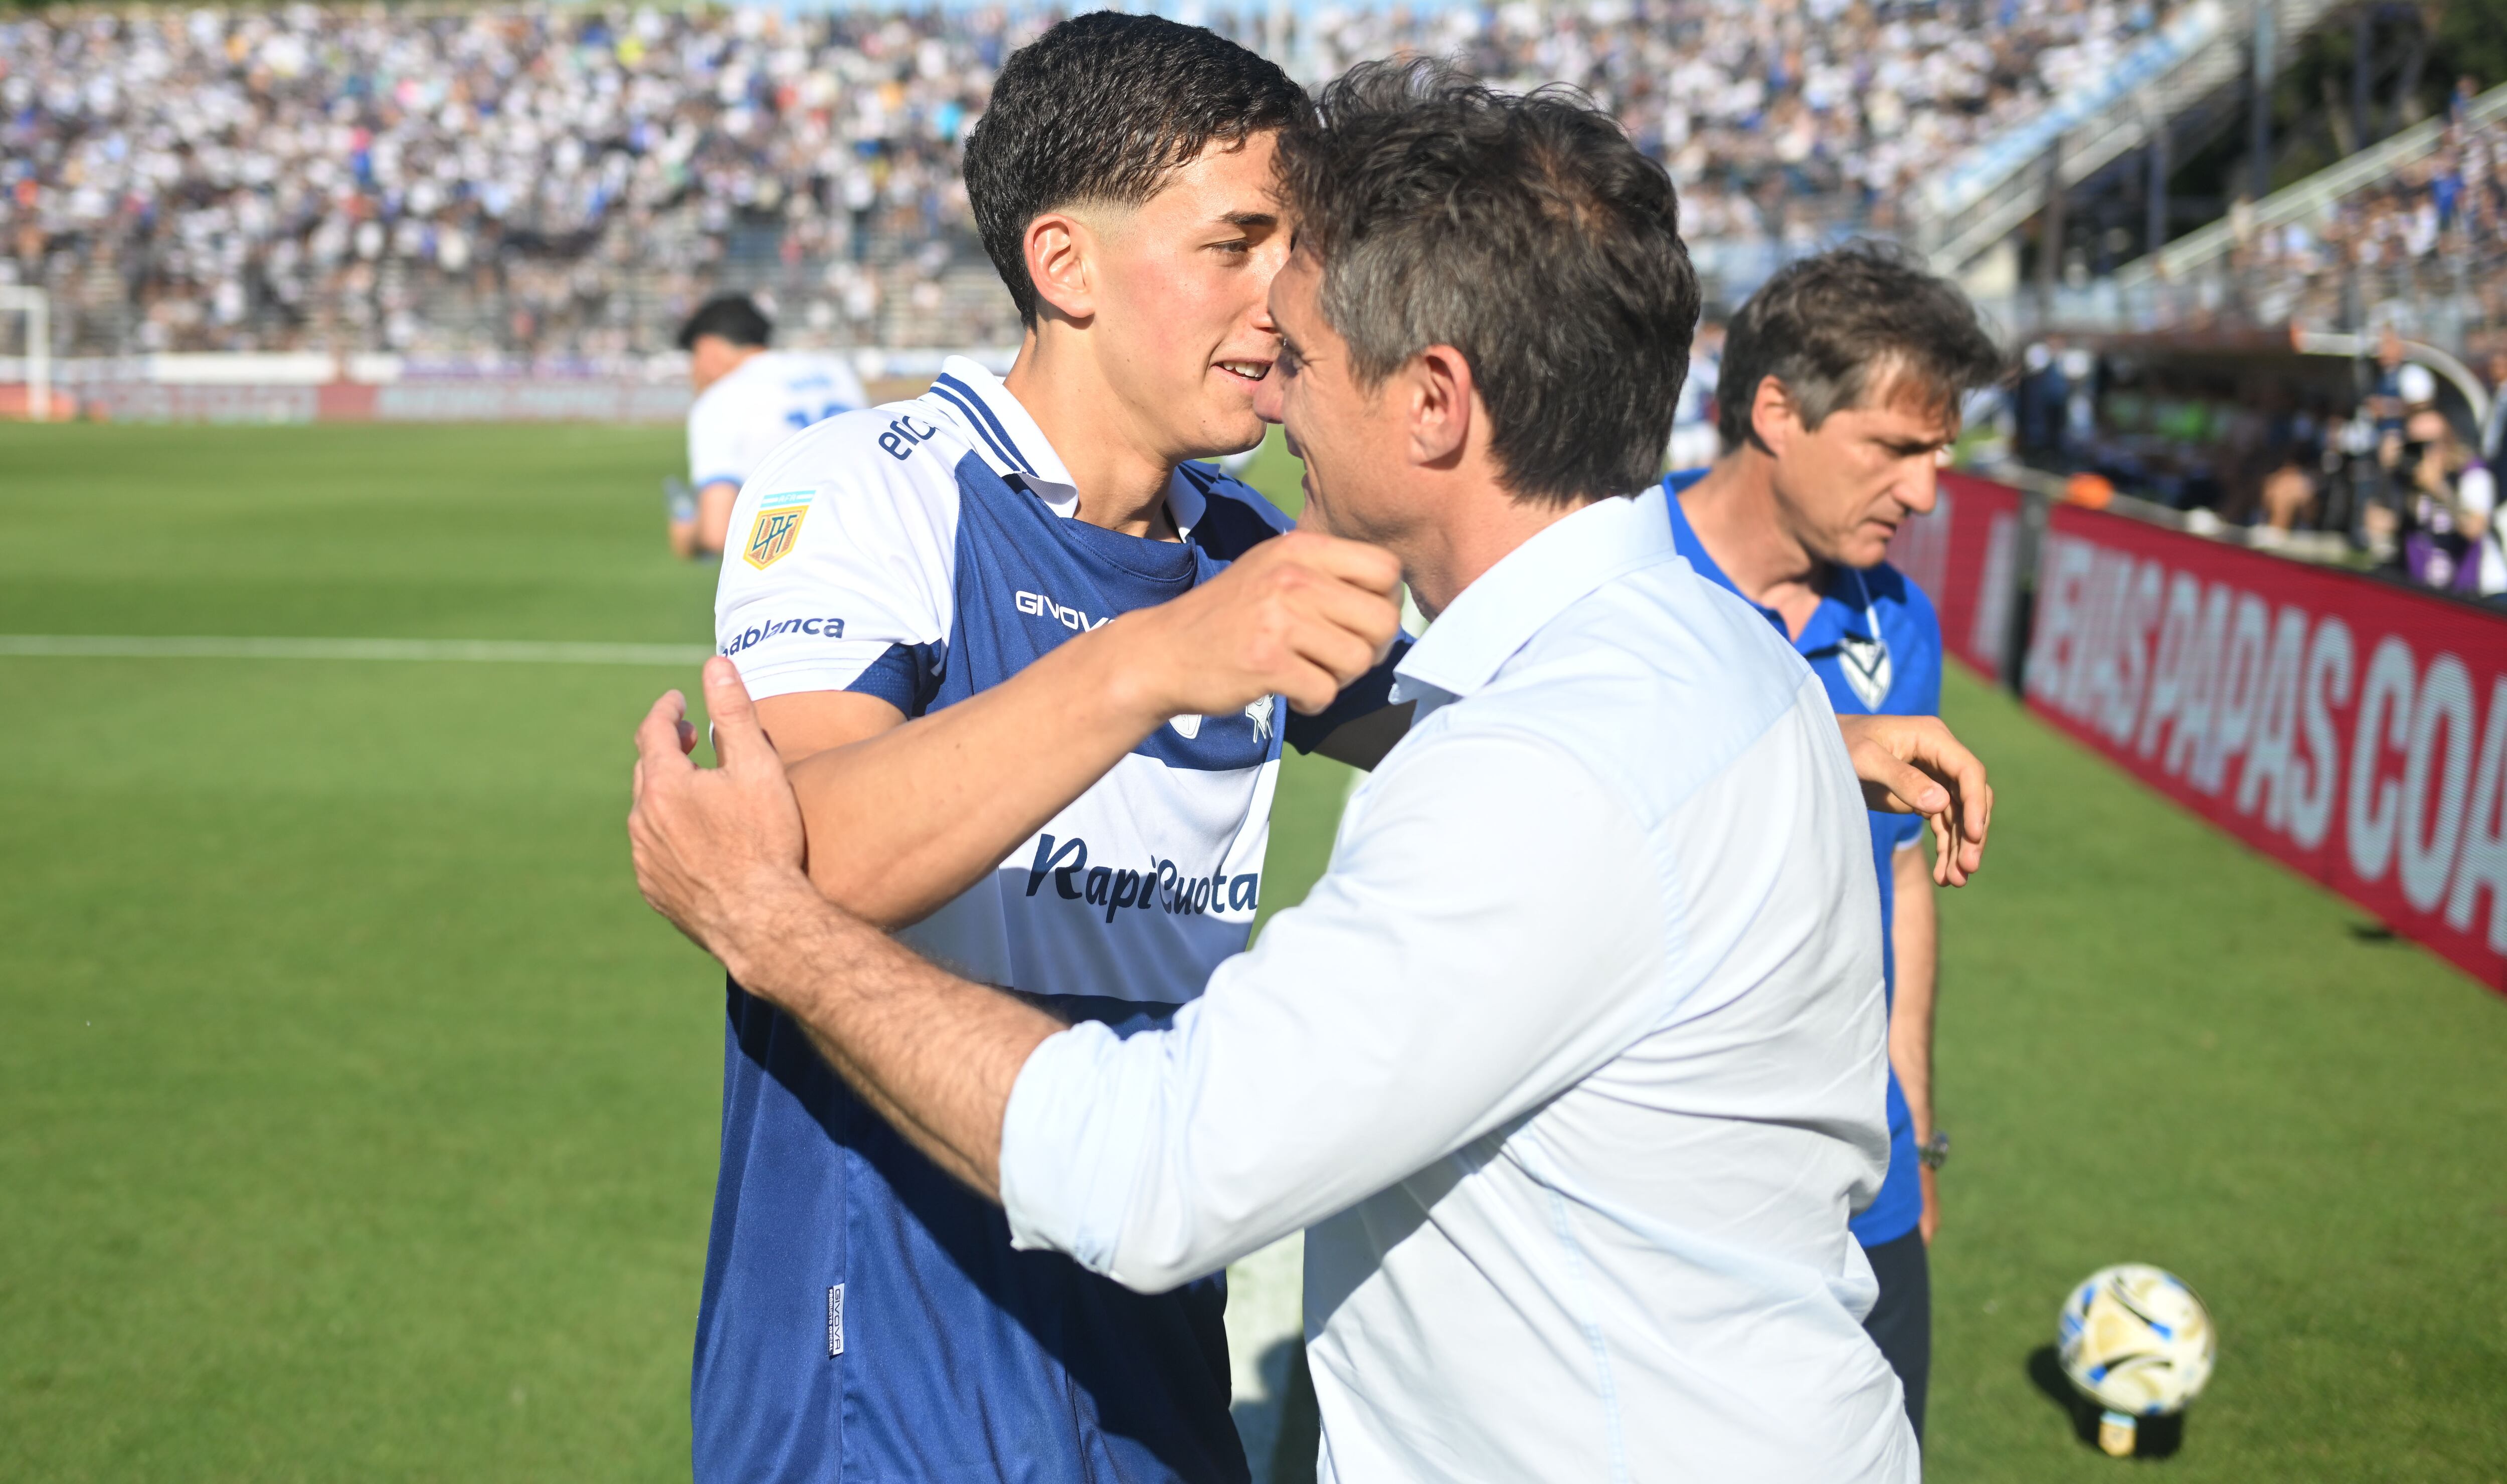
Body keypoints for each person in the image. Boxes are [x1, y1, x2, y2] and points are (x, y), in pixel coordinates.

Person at [688, 20, 1988, 1484]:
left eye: (1293, 249)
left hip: (1145, 1256)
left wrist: (1802, 728)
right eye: (1237, 242)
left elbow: (1519, 743)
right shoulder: (869, 487)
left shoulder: (1247, 539)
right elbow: (795, 860)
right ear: (1065, 268)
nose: (1284, 307)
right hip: (898, 1292)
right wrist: (1150, 662)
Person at [1660, 243, 2005, 1445]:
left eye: (1939, 457)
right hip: (1665, 1184)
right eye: (1895, 449)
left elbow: (1898, 872)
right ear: (1775, 411)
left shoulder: (1895, 616)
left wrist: (1911, 1104)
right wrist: (1809, 735)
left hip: (1861, 1185)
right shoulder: (1620, 578)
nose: (1923, 492)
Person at [668, 292, 869, 559]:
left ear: (708, 348)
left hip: (803, 569)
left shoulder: (722, 398)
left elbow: (717, 533)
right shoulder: (836, 371)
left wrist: (689, 536)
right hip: (873, 548)